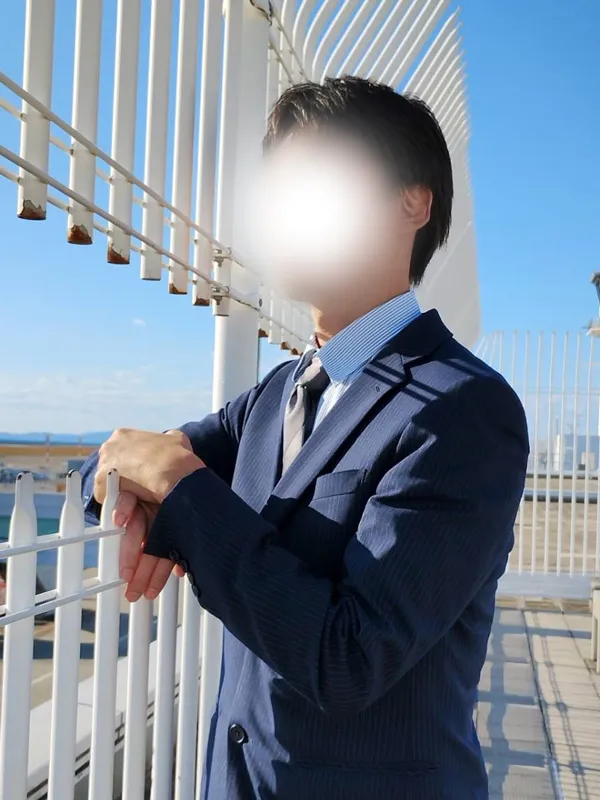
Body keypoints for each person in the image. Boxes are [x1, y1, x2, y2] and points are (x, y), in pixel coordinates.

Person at [81, 77, 529, 800]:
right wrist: (137, 487)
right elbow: (120, 465)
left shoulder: (465, 409)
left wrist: (182, 493)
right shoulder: (276, 395)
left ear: (413, 203)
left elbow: (349, 659)